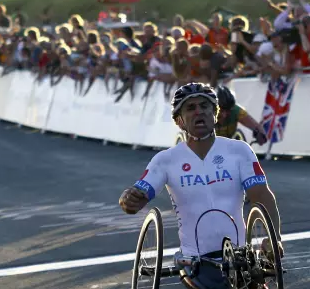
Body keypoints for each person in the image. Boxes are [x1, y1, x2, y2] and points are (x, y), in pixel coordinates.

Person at [118, 83, 283, 264]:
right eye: (190, 108)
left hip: (239, 258)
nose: (199, 112)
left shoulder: (240, 150)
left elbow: (262, 196)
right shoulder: (165, 160)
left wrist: (274, 239)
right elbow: (136, 198)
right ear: (179, 121)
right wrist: (129, 199)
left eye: (204, 106)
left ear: (215, 115)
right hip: (194, 260)